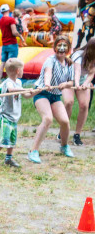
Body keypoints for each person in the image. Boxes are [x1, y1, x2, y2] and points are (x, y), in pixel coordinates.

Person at [27, 34, 75, 163]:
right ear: (55, 48)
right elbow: (48, 72)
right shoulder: (50, 60)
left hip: (55, 95)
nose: (62, 48)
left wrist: (66, 85)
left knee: (65, 121)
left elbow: (71, 82)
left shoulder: (69, 63)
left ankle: (64, 146)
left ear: (68, 49)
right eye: (59, 45)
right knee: (48, 119)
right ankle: (33, 151)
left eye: (65, 46)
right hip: (42, 93)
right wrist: (47, 83)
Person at [0, 58, 33, 169]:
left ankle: (8, 159)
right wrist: (25, 90)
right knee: (4, 138)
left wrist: (36, 91)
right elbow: (11, 90)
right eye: (22, 69)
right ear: (18, 71)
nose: (23, 71)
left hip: (14, 116)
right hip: (5, 116)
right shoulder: (8, 83)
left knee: (12, 139)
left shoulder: (18, 82)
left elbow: (27, 96)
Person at [65, 38, 95, 145]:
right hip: (69, 79)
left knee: (84, 105)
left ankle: (77, 134)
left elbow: (91, 73)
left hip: (82, 79)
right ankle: (63, 130)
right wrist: (77, 85)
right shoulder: (79, 55)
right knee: (69, 102)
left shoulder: (93, 58)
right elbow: (76, 71)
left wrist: (86, 83)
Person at [0, 3, 26, 82]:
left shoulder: (0, 21)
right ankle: (11, 80)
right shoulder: (11, 20)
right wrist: (21, 37)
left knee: (3, 63)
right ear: (8, 10)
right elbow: (14, 32)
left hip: (4, 44)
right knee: (13, 63)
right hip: (12, 44)